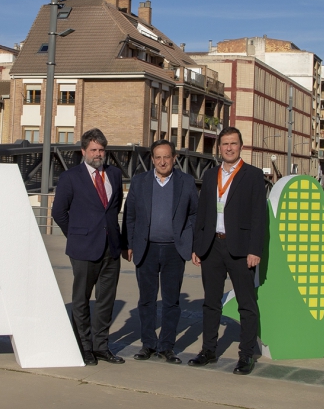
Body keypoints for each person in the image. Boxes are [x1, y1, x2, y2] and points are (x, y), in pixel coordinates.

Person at [189, 126, 267, 375]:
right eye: (225, 144)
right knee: (211, 303)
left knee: (246, 303)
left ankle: (246, 355)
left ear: (241, 146)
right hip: (212, 247)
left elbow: (259, 216)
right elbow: (202, 213)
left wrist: (255, 249)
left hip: (241, 249)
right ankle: (208, 350)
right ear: (219, 148)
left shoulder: (253, 175)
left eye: (233, 143)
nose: (229, 148)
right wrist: (197, 246)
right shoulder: (211, 175)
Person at [52, 128, 125, 366]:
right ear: (84, 151)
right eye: (93, 149)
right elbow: (59, 212)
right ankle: (84, 347)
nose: (98, 154)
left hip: (110, 248)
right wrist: (76, 235)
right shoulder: (71, 177)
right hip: (83, 248)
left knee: (106, 300)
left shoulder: (114, 174)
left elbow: (113, 209)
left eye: (101, 149)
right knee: (81, 299)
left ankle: (101, 346)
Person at [122, 140, 198, 364]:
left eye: (167, 157)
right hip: (146, 249)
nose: (162, 161)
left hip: (175, 250)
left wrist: (190, 241)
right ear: (152, 159)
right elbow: (130, 215)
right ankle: (148, 344)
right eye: (158, 157)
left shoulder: (186, 182)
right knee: (146, 300)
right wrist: (128, 243)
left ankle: (166, 346)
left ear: (174, 158)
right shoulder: (140, 182)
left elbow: (195, 213)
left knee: (171, 301)